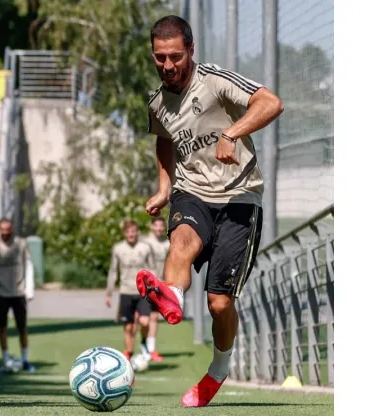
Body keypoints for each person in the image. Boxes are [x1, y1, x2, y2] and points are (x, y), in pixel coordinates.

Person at [137, 15, 284, 407]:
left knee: (219, 302)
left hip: (239, 198)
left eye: (175, 57)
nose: (167, 66)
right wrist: (166, 187)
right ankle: (171, 296)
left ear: (191, 51)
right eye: (160, 58)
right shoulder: (157, 102)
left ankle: (218, 369)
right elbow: (164, 141)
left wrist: (231, 134)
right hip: (192, 192)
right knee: (181, 240)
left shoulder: (215, 81)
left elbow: (271, 102)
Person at [0, 218, 36, 373]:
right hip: (0, 293)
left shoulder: (21, 244)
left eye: (8, 230)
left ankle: (25, 360)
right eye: (3, 230)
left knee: (22, 327)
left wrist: (29, 289)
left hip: (18, 292)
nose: (5, 233)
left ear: (11, 229)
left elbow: (29, 264)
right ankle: (5, 359)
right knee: (2, 328)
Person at [105, 220, 154, 361]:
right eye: (128, 232)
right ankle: (129, 354)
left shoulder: (145, 247)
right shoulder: (118, 248)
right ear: (125, 233)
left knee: (145, 321)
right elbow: (113, 271)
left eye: (133, 231)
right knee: (128, 327)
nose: (131, 234)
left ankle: (144, 342)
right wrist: (109, 293)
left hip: (143, 291)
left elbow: (152, 269)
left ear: (137, 232)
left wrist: (155, 288)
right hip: (125, 291)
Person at [139, 217, 170, 363]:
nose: (159, 228)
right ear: (151, 227)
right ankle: (142, 343)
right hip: (146, 285)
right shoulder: (144, 242)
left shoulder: (167, 243)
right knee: (141, 320)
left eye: (161, 226)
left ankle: (150, 349)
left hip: (160, 285)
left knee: (154, 317)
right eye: (156, 226)